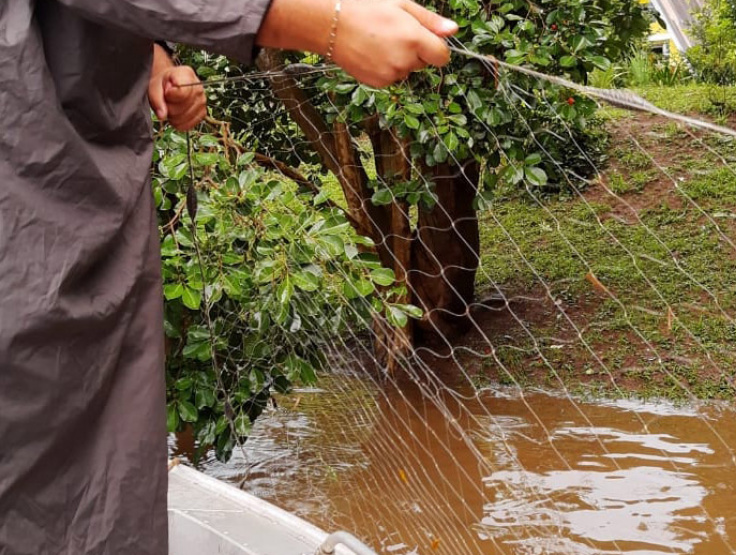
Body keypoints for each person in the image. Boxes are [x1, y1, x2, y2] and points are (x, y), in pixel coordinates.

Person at [0, 1, 458, 553]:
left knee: (98, 478)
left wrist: (152, 55)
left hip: (83, 214)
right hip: (29, 226)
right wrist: (326, 22)